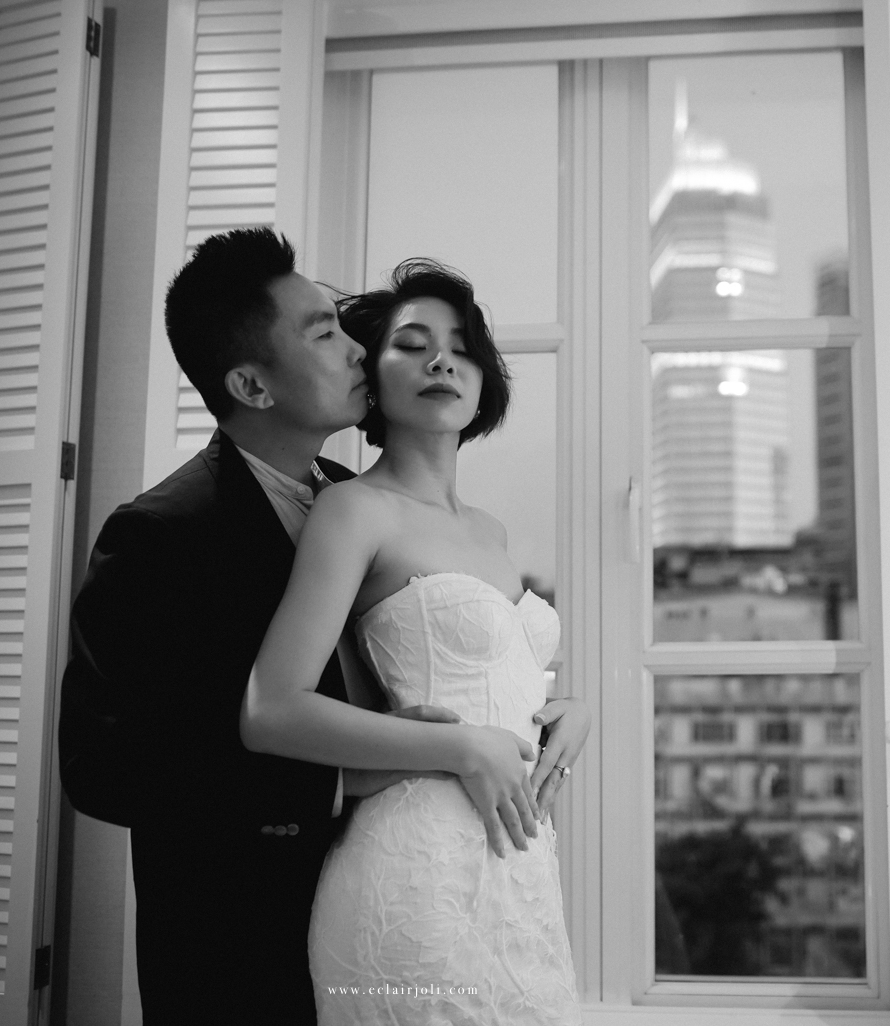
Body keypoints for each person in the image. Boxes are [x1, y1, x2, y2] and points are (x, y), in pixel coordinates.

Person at [58, 229, 589, 1025]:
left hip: (440, 889)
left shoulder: (358, 498)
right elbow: (104, 769)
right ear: (252, 384)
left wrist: (541, 712)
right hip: (240, 942)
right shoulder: (161, 535)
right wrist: (341, 783)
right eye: (323, 334)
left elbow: (418, 674)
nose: (356, 349)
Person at [241, 259, 586, 1024]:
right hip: (414, 873)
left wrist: (569, 711)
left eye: (462, 348)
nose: (442, 362)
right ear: (371, 377)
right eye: (412, 344)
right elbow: (271, 710)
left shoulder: (492, 532)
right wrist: (460, 746)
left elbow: (489, 679)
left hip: (520, 871)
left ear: (485, 381)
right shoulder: (353, 509)